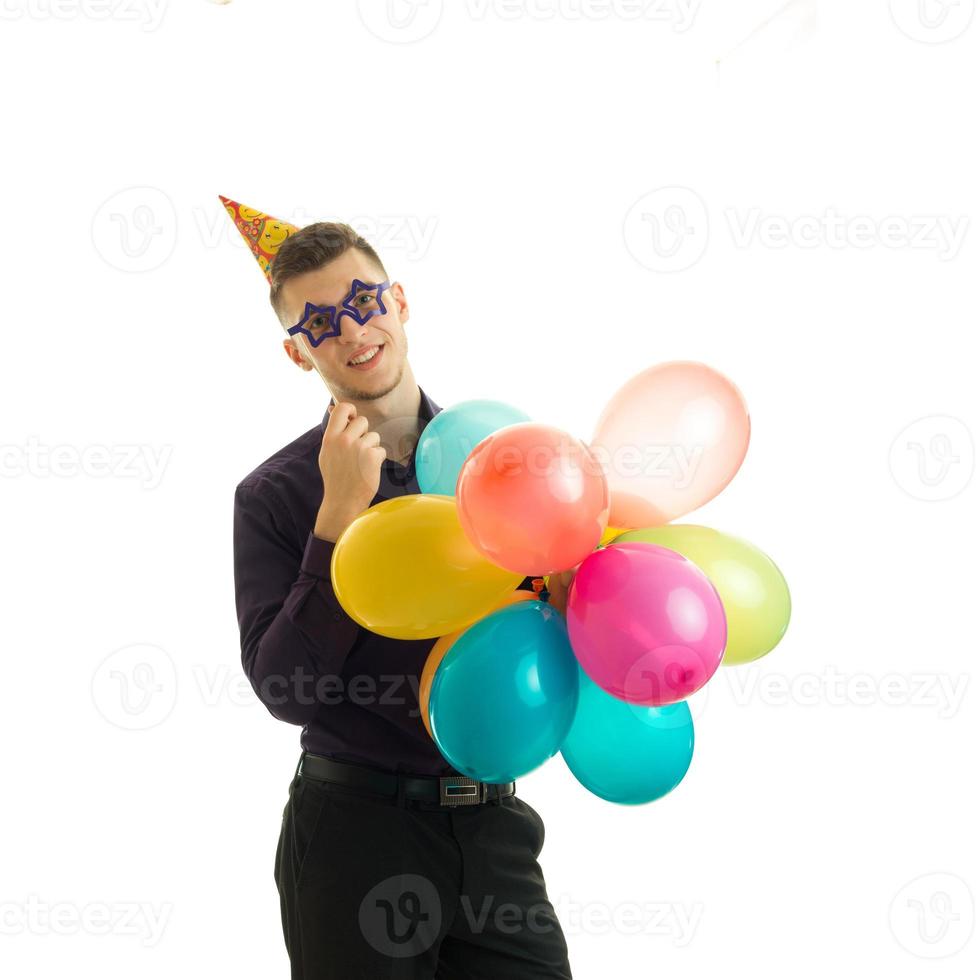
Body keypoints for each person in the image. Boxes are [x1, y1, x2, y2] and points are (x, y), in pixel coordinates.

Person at [232, 221, 575, 978]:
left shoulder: (505, 465)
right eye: (319, 322)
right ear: (297, 351)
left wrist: (569, 595)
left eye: (363, 299)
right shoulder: (275, 497)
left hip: (495, 828)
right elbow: (283, 689)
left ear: (401, 301)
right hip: (356, 839)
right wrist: (337, 521)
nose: (353, 330)